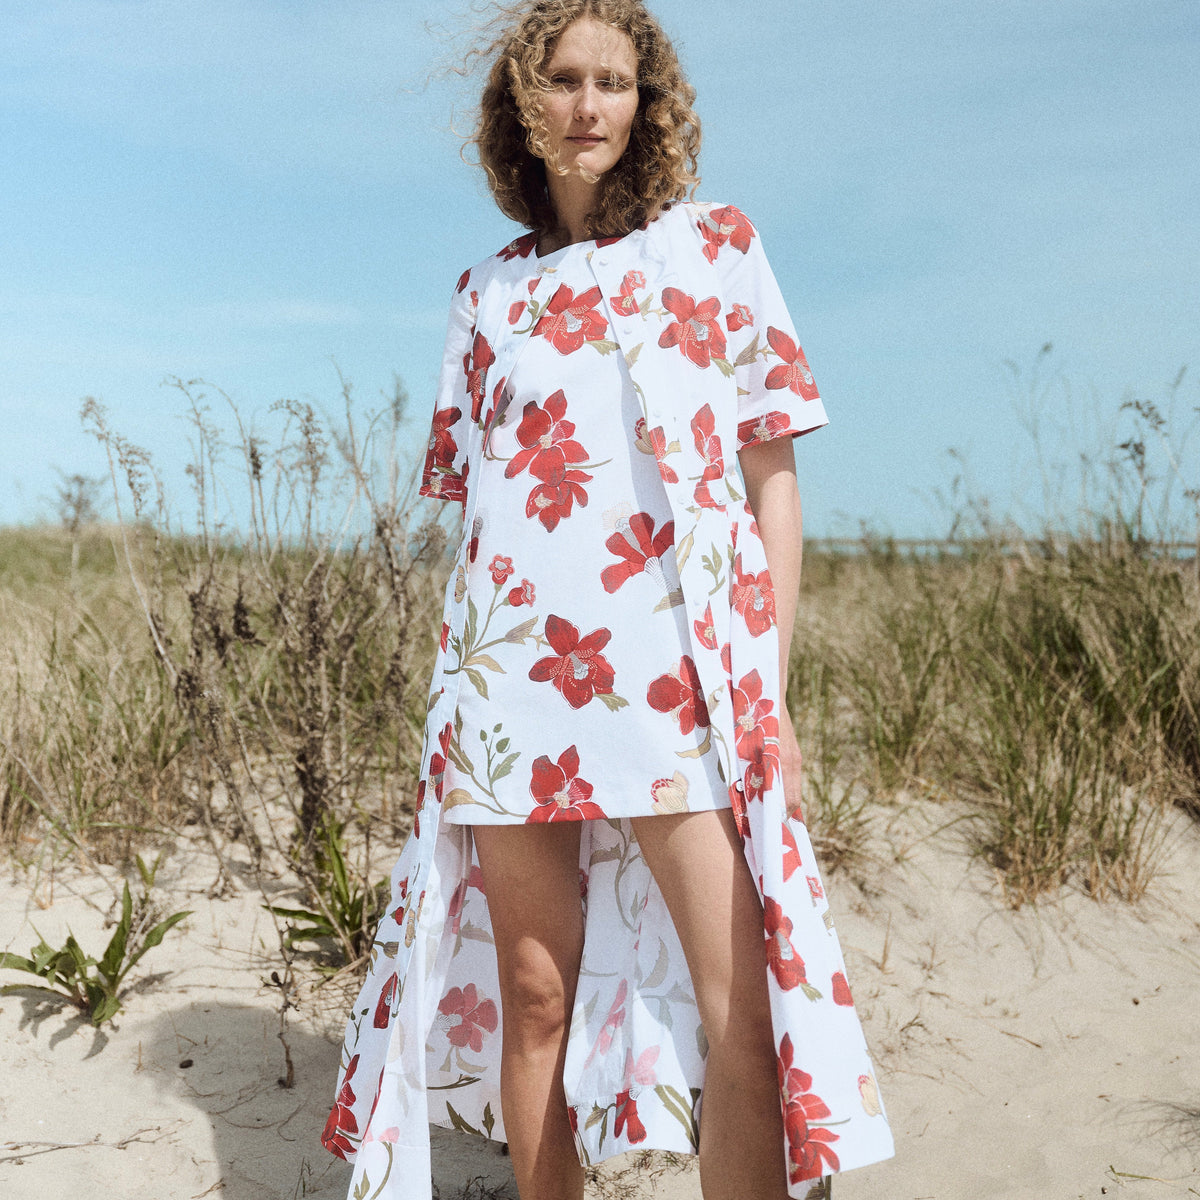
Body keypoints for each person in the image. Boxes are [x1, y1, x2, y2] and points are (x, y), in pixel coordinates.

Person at [323, 3, 894, 1197]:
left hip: (675, 677)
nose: (591, 106)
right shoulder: (485, 295)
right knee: (535, 993)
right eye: (566, 81)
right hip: (514, 676)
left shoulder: (717, 247)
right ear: (522, 106)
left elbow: (772, 482)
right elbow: (485, 520)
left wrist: (768, 694)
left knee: (742, 1007)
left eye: (615, 82)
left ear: (648, 103)